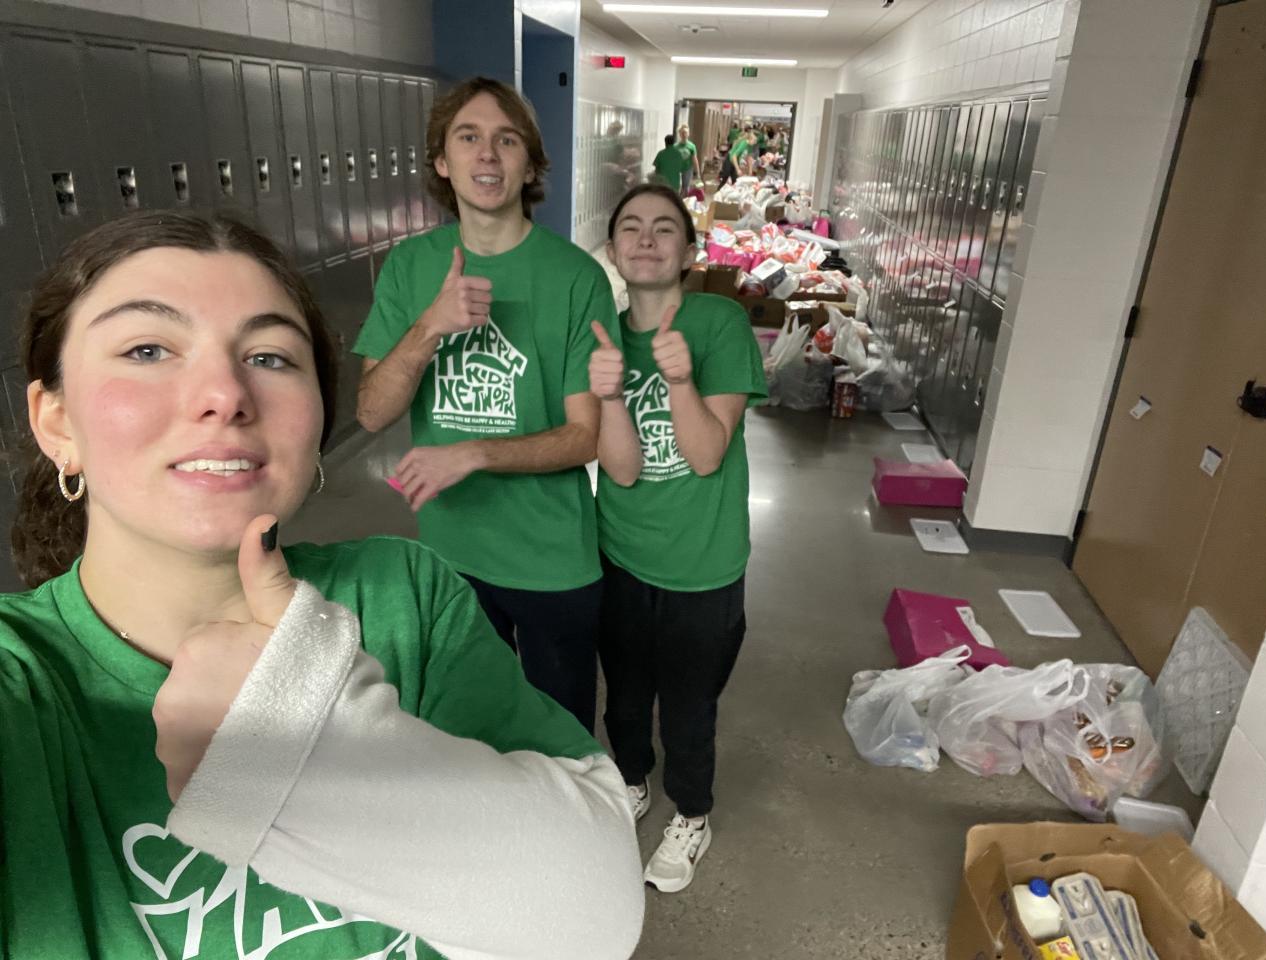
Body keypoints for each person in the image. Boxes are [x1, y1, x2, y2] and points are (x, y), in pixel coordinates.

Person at [0, 210, 644, 960]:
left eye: (269, 356)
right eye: (147, 349)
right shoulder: (22, 682)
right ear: (56, 422)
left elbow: (594, 910)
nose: (224, 393)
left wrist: (296, 724)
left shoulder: (402, 595)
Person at [354, 77, 619, 732]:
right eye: (468, 137)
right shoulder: (410, 268)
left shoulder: (575, 277)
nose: (487, 155)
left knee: (561, 738)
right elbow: (371, 412)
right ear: (442, 162)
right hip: (452, 557)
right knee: (470, 735)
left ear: (530, 164)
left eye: (507, 140)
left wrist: (471, 453)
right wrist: (429, 327)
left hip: (552, 560)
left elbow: (585, 436)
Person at [588, 184, 767, 893]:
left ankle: (692, 813)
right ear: (612, 250)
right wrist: (608, 394)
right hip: (621, 555)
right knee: (625, 696)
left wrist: (681, 381)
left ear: (689, 253)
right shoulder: (604, 338)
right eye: (630, 227)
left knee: (690, 707)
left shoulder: (720, 323)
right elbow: (623, 470)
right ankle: (632, 779)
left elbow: (706, 454)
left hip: (703, 563)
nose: (646, 239)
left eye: (664, 228)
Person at [675, 124, 699, 195]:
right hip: (677, 170)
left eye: (685, 132)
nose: (684, 134)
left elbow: (695, 159)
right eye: (682, 133)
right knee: (677, 188)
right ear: (679, 134)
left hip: (687, 169)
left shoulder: (692, 146)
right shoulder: (675, 146)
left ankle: (684, 200)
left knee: (685, 188)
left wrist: (697, 172)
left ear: (688, 134)